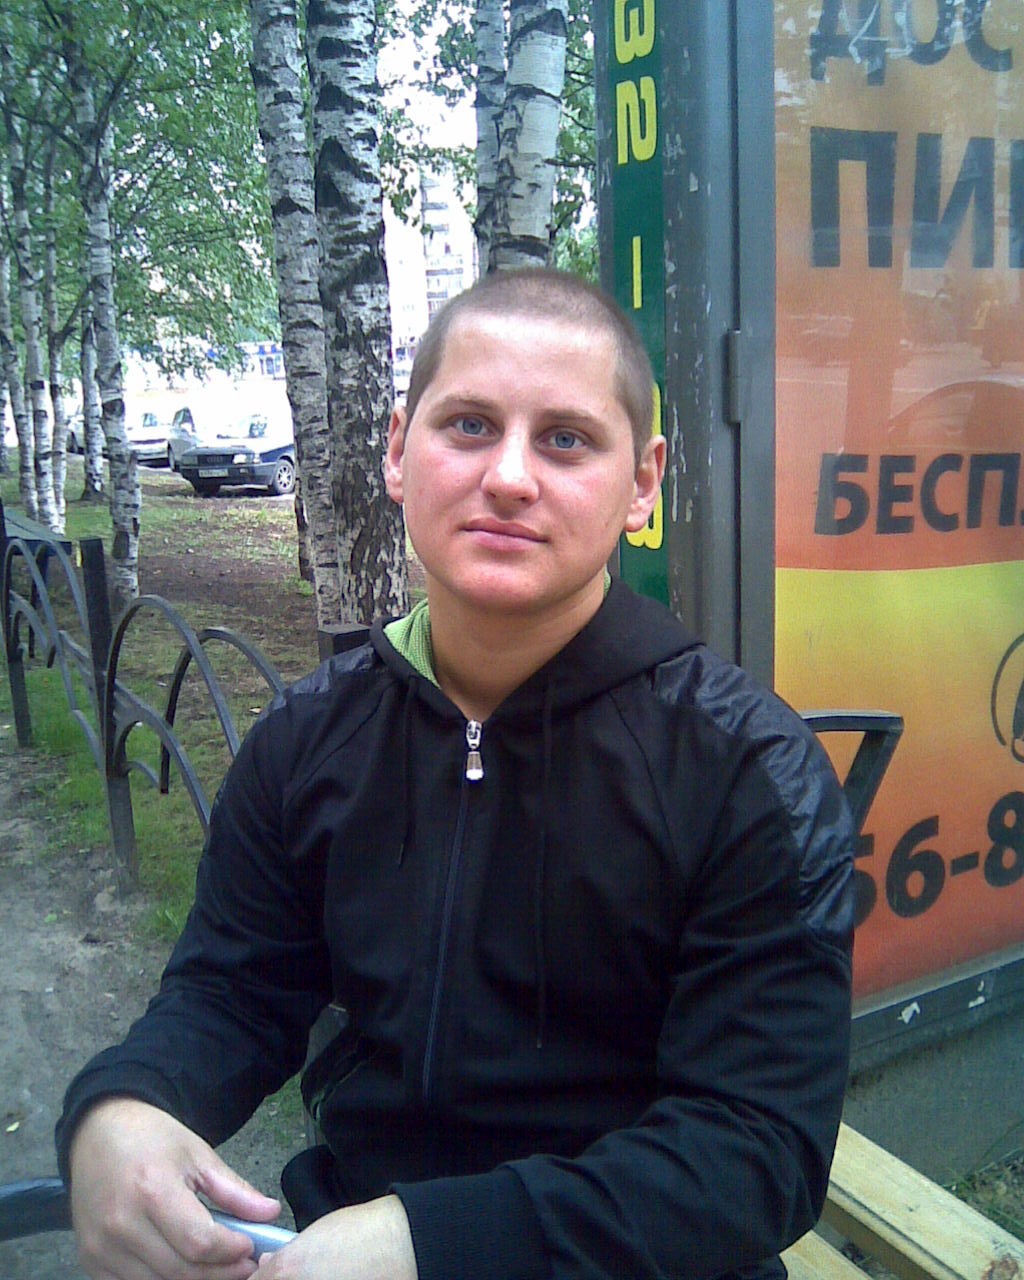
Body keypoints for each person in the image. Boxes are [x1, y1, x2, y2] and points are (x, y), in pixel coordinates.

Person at [57, 268, 855, 1280]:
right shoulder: (306, 737)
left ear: (643, 482)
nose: (510, 476)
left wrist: (432, 1243)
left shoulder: (746, 770)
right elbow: (233, 988)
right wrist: (124, 1103)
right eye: (469, 426)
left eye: (566, 439)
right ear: (398, 450)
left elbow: (757, 1148)